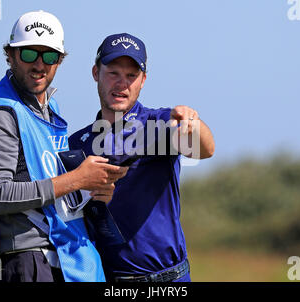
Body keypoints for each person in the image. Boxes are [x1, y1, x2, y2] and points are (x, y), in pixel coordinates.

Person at [0, 11, 127, 282]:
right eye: (29, 54)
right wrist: (76, 179)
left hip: (61, 259)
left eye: (49, 56)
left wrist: (90, 189)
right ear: (11, 55)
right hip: (25, 262)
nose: (39, 64)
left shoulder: (48, 108)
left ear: (59, 61)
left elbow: (52, 187)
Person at [68, 33, 215, 282]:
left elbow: (205, 149)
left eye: (131, 76)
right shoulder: (76, 144)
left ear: (143, 80)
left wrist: (193, 122)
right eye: (113, 72)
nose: (121, 84)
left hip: (169, 279)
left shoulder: (158, 123)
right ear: (96, 73)